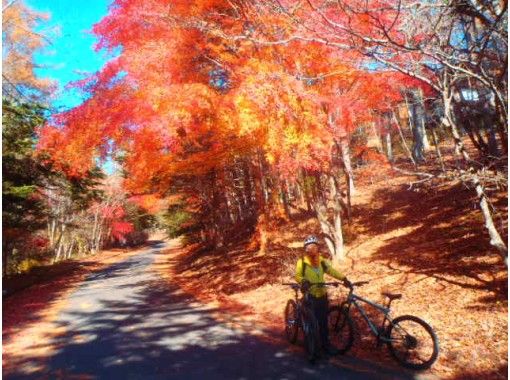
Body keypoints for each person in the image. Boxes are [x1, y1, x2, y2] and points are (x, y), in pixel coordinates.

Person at [295, 235, 351, 356]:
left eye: (314, 246)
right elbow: (298, 275)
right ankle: (311, 347)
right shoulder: (302, 262)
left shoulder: (321, 261)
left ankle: (325, 345)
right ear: (306, 249)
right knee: (311, 323)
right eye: (309, 247)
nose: (312, 249)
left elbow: (331, 270)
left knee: (323, 322)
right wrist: (303, 281)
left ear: (317, 248)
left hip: (322, 295)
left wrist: (344, 278)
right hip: (310, 295)